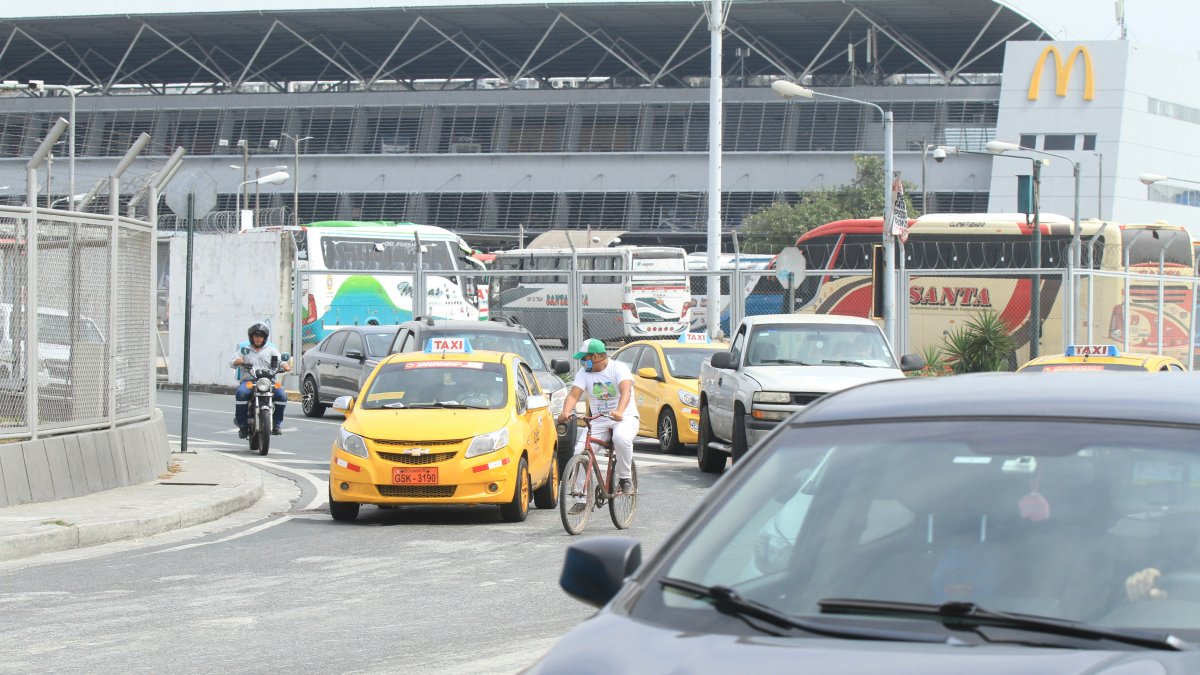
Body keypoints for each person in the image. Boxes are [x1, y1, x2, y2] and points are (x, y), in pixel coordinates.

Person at [556, 338, 638, 506]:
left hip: (625, 417)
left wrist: (620, 411)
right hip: (599, 420)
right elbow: (573, 395)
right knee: (580, 450)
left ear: (594, 357)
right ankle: (581, 497)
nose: (581, 362)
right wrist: (566, 412)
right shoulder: (583, 374)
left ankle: (625, 479)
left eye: (583, 358)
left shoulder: (618, 368)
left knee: (621, 438)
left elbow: (626, 391)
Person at [231, 323, 290, 437]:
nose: (258, 338)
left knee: (282, 396)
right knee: (241, 393)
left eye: (261, 336)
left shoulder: (271, 350)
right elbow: (233, 360)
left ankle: (277, 424)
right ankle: (242, 426)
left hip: (268, 381)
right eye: (256, 336)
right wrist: (237, 361)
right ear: (251, 337)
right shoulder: (245, 350)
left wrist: (285, 365)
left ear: (265, 338)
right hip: (250, 381)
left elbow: (280, 361)